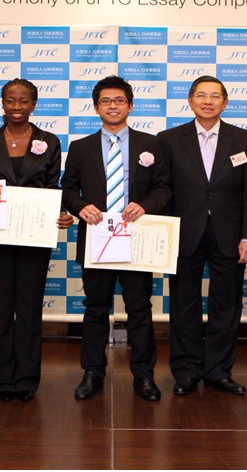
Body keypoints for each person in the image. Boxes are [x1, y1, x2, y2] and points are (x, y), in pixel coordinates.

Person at [0, 78, 73, 402]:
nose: (17, 107)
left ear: (34, 104)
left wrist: (61, 213)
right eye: (11, 100)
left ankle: (26, 378)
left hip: (34, 236)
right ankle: (1, 379)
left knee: (28, 308)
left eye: (24, 101)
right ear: (3, 103)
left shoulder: (49, 141)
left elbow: (53, 188)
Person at [61, 75, 171, 401]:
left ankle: (144, 376)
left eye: (119, 100)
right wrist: (81, 207)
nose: (113, 106)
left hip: (137, 237)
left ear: (130, 106)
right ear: (96, 107)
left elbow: (165, 188)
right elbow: (68, 189)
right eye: (106, 101)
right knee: (95, 308)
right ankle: (92, 372)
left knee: (140, 308)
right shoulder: (81, 147)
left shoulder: (151, 145)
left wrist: (146, 205)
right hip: (97, 237)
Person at [157, 76, 247, 396]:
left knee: (227, 305)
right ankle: (186, 370)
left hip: (230, 235)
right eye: (200, 96)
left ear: (225, 102)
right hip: (183, 232)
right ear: (189, 101)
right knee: (183, 304)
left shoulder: (244, 139)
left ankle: (219, 371)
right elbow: (162, 189)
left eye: (214, 96)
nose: (207, 101)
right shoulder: (169, 139)